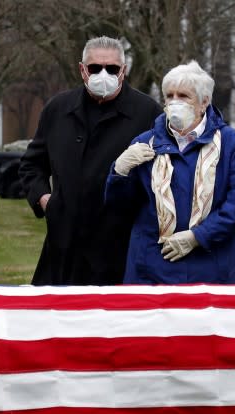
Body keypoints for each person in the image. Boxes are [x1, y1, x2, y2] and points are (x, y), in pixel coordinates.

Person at [19, 36, 163, 285]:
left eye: (112, 68)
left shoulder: (147, 112)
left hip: (119, 246)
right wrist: (45, 200)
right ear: (82, 69)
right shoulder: (58, 109)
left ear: (124, 71)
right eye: (95, 68)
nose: (103, 74)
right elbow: (32, 164)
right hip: (63, 246)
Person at [104, 60, 235, 284]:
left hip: (213, 266)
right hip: (153, 267)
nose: (174, 102)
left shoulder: (230, 143)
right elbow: (121, 208)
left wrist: (197, 236)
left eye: (183, 96)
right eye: (169, 96)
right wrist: (119, 172)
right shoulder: (145, 144)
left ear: (204, 103)